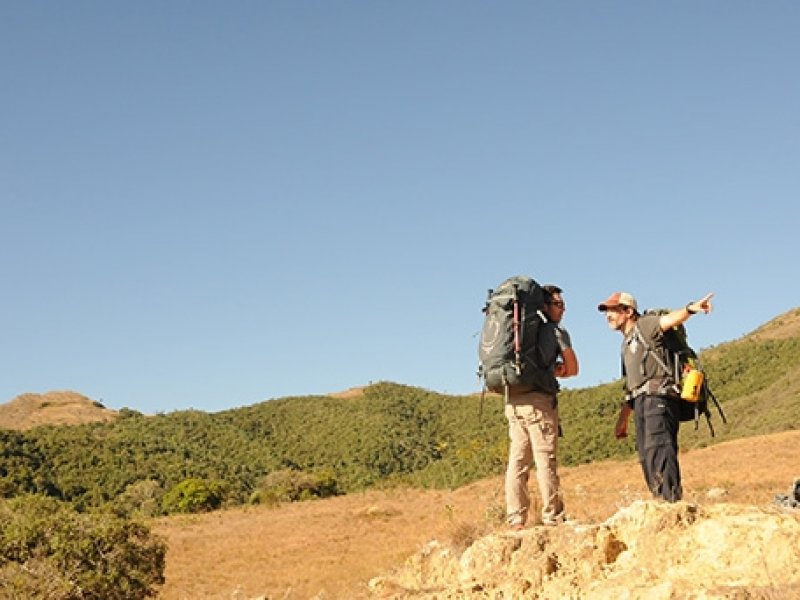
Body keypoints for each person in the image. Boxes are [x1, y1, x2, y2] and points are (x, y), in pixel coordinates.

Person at [597, 291, 714, 502]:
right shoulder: (626, 344)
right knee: (646, 455)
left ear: (628, 311)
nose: (608, 316)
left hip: (658, 397)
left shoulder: (646, 325)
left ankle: (671, 503)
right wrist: (623, 420)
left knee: (659, 448)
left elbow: (669, 320)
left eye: (613, 310)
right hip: (641, 401)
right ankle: (660, 500)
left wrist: (690, 309)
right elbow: (630, 387)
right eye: (607, 311)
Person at [505, 284, 579, 530]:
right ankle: (553, 516)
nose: (563, 309)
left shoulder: (517, 332)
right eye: (558, 304)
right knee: (545, 459)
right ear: (544, 306)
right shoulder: (555, 331)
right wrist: (555, 370)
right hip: (539, 402)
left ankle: (516, 518)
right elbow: (573, 369)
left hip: (514, 401)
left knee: (517, 461)